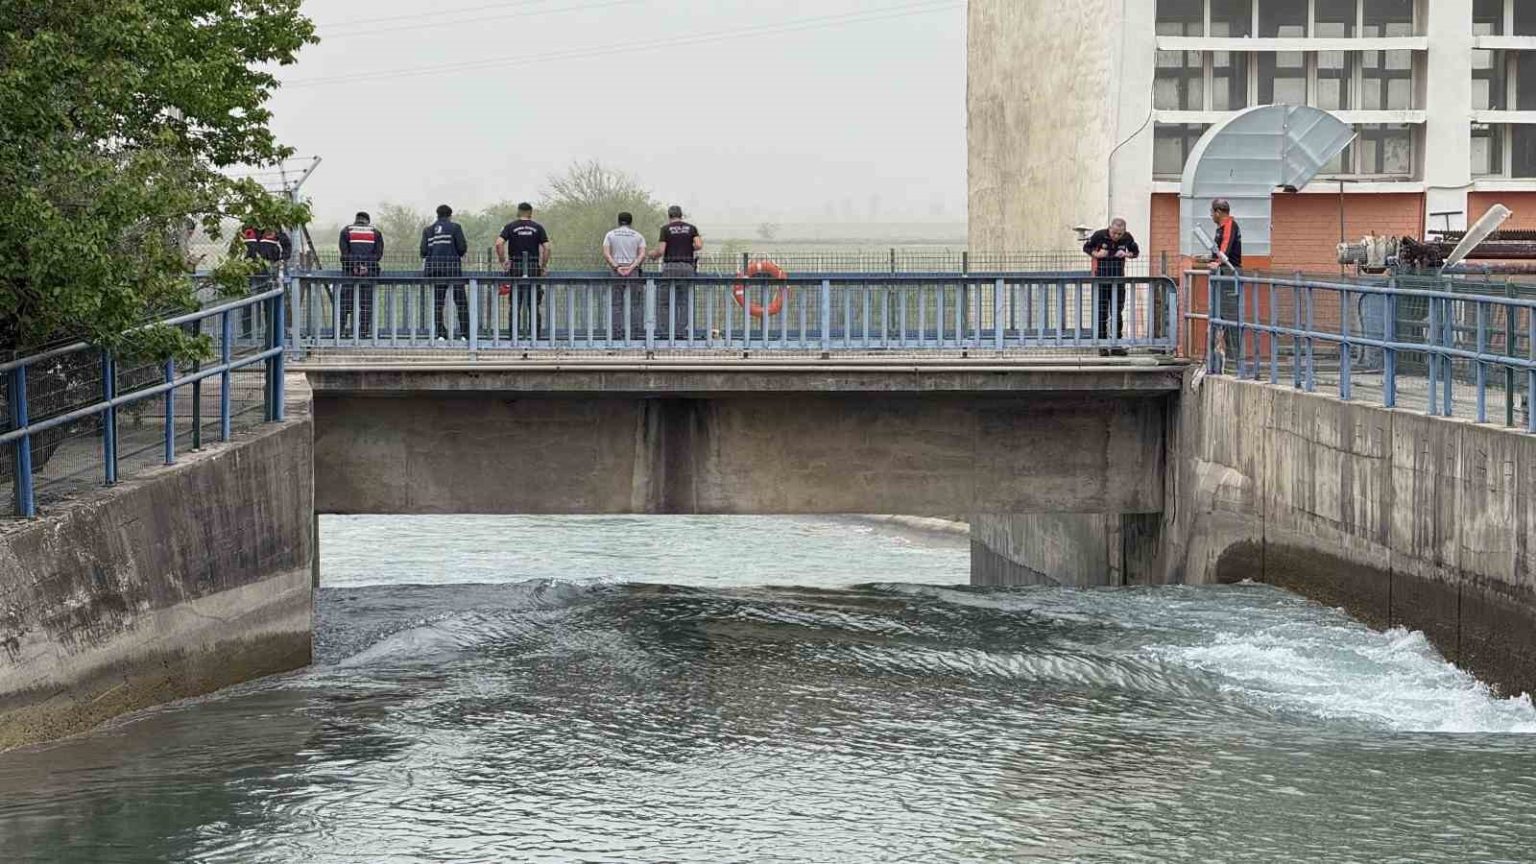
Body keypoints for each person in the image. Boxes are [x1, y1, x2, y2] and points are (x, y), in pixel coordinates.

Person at [1083, 217, 1140, 357]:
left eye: (1119, 234)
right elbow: (1086, 247)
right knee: (1101, 312)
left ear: (1124, 232)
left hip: (1118, 279)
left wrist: (1126, 254)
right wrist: (1097, 254)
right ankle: (1102, 345)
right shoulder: (1099, 235)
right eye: (1114, 233)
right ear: (1109, 228)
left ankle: (1116, 344)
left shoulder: (1127, 238)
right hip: (1102, 278)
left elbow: (1135, 252)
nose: (1116, 236)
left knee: (1117, 312)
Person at [495, 203, 551, 337]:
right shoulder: (538, 227)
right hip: (532, 267)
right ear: (530, 213)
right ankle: (535, 336)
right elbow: (547, 247)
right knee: (533, 303)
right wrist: (543, 266)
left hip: (515, 266)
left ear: (518, 212)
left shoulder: (510, 227)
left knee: (515, 303)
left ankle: (513, 335)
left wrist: (503, 261)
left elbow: (499, 243)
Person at [649, 205, 702, 339]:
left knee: (664, 302)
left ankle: (666, 331)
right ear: (681, 215)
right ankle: (681, 331)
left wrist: (652, 255)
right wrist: (688, 247)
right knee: (684, 301)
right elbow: (698, 245)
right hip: (687, 267)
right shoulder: (691, 228)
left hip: (670, 267)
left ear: (669, 216)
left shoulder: (665, 229)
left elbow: (661, 250)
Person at [421, 204, 469, 341]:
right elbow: (462, 248)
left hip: (435, 270)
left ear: (437, 215)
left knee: (438, 303)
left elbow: (423, 251)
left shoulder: (428, 230)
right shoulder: (455, 228)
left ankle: (441, 333)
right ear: (450, 215)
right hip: (453, 269)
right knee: (461, 302)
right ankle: (465, 333)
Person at [1209, 199, 1244, 367]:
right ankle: (1223, 357)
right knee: (1220, 315)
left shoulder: (1229, 225)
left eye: (1212, 212)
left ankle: (1234, 359)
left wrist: (1218, 262)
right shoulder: (1220, 228)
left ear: (1218, 212)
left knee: (1230, 315)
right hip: (1223, 273)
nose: (1211, 216)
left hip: (1229, 274)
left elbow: (1225, 248)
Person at [338, 212, 383, 339]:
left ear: (356, 219)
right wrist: (365, 266)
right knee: (366, 304)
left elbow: (344, 254)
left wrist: (355, 266)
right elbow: (378, 254)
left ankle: (339, 331)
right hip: (369, 274)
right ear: (368, 220)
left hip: (349, 273)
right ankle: (363, 332)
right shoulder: (375, 233)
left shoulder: (346, 231)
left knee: (345, 304)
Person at [603, 212, 647, 339]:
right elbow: (642, 254)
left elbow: (606, 253)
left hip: (616, 271)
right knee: (635, 303)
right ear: (631, 222)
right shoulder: (638, 236)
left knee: (616, 303)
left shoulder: (610, 235)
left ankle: (616, 333)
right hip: (633, 271)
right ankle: (634, 333)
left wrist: (617, 267)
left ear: (618, 221)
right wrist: (632, 267)